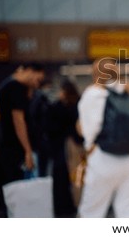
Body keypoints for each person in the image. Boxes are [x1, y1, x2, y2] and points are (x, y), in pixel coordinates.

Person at [77, 58, 129, 217]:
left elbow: (89, 131)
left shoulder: (93, 94)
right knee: (128, 210)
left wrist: (89, 149)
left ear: (95, 74)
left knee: (92, 211)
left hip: (103, 159)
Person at [0, 63, 45, 187]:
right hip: (15, 149)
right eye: (38, 79)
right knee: (20, 188)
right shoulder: (15, 88)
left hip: (10, 147)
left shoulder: (9, 85)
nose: (37, 84)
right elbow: (19, 121)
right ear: (30, 71)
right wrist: (27, 151)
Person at [46, 79, 81, 217]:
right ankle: (74, 205)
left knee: (61, 181)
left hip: (61, 150)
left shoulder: (57, 107)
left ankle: (62, 211)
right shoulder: (77, 106)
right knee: (75, 178)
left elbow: (49, 127)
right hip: (75, 149)